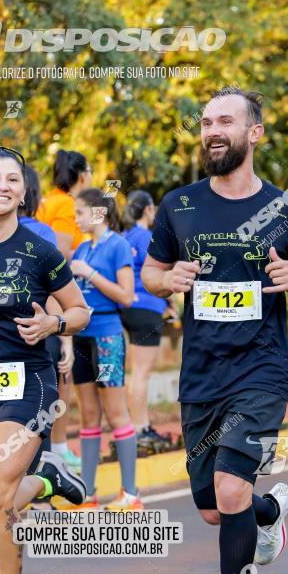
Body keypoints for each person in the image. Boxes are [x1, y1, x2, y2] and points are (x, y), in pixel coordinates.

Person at [141, 88, 288, 574]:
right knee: (211, 509)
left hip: (262, 367)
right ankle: (270, 513)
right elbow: (151, 273)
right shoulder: (179, 205)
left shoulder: (285, 208)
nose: (212, 130)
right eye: (205, 122)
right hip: (201, 371)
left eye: (226, 120)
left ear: (255, 133)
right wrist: (167, 279)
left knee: (229, 490)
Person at [0, 147, 89, 574]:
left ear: (21, 191)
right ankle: (49, 479)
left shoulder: (40, 251)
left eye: (12, 179)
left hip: (29, 382)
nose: (2, 185)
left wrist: (54, 322)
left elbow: (79, 311)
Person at [70, 188, 141, 511]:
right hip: (80, 337)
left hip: (108, 336)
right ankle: (88, 493)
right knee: (87, 414)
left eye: (81, 212)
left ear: (98, 213)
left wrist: (91, 274)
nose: (76, 218)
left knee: (116, 413)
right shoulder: (81, 249)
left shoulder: (119, 246)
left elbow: (126, 296)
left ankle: (130, 493)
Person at [19, 166, 76, 510]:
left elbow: (59, 292)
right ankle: (40, 488)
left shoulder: (43, 235)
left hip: (38, 336)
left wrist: (62, 332)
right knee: (40, 411)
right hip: (31, 338)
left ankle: (40, 489)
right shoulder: (45, 233)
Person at [37, 149, 92, 472]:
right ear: (81, 174)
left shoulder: (47, 200)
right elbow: (59, 253)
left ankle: (54, 447)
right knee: (63, 370)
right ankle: (57, 448)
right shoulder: (66, 204)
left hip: (43, 294)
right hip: (55, 296)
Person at [121, 190, 172, 454]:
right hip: (148, 308)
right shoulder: (146, 237)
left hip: (125, 309)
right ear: (148, 210)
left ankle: (134, 426)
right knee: (142, 373)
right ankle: (140, 428)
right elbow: (161, 275)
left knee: (133, 372)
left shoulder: (122, 238)